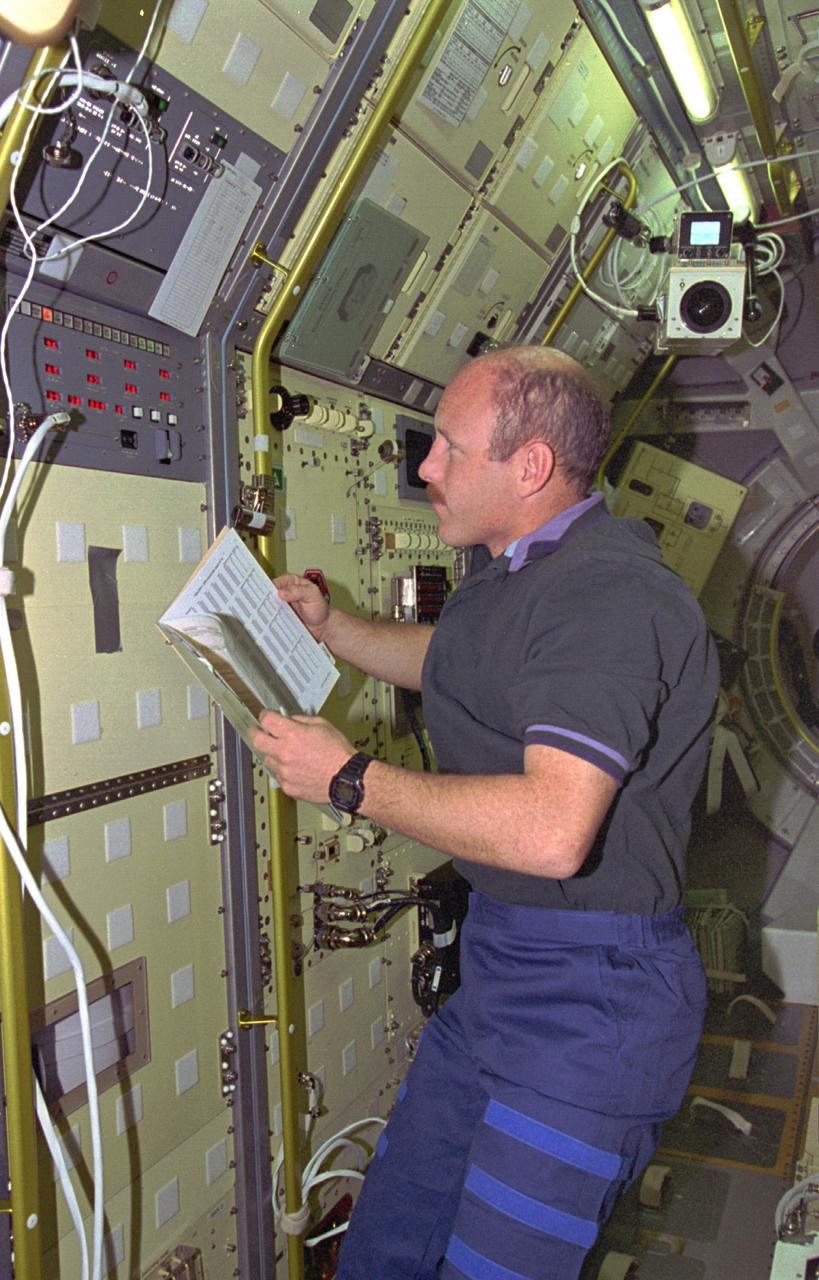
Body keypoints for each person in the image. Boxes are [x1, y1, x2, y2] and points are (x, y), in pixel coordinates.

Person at [250, 345, 719, 1280]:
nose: (425, 466)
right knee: (386, 1250)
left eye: (449, 449)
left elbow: (552, 831)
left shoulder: (609, 596)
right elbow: (454, 666)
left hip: (594, 999)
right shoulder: (517, 573)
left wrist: (351, 781)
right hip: (502, 970)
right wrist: (332, 630)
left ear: (530, 467)